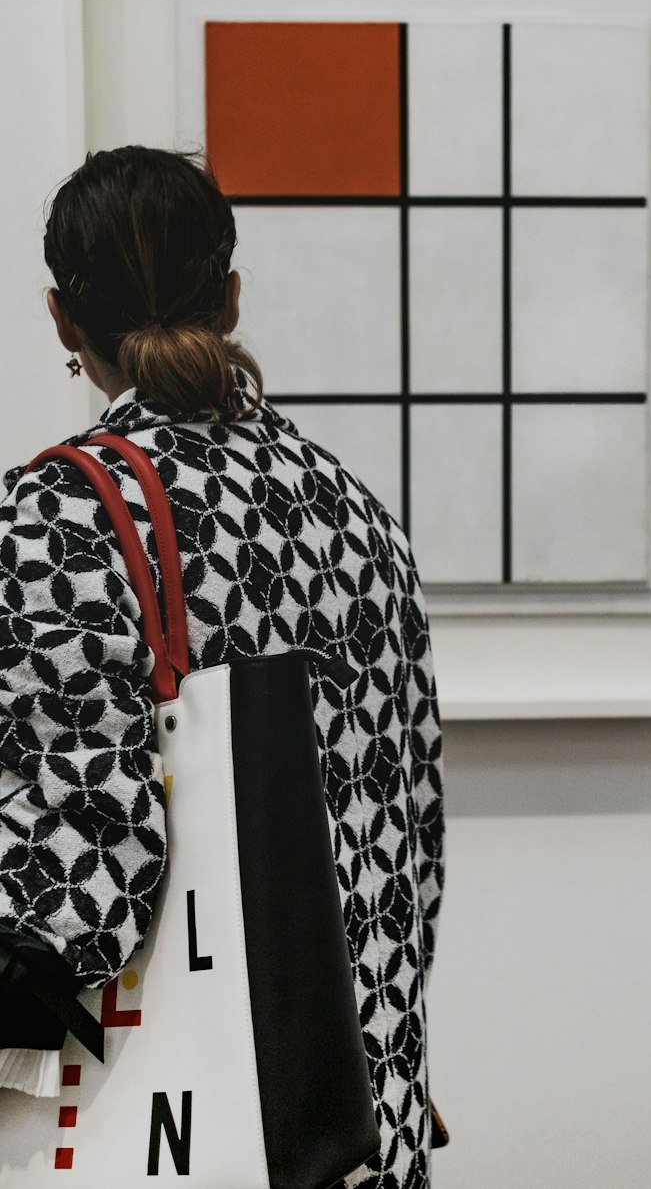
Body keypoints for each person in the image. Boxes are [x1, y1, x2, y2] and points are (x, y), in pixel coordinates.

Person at [0, 146, 444, 1187]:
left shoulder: (58, 519)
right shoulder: (352, 509)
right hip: (363, 1103)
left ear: (63, 321)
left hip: (188, 1133)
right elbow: (403, 821)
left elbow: (80, 881)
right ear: (231, 297)